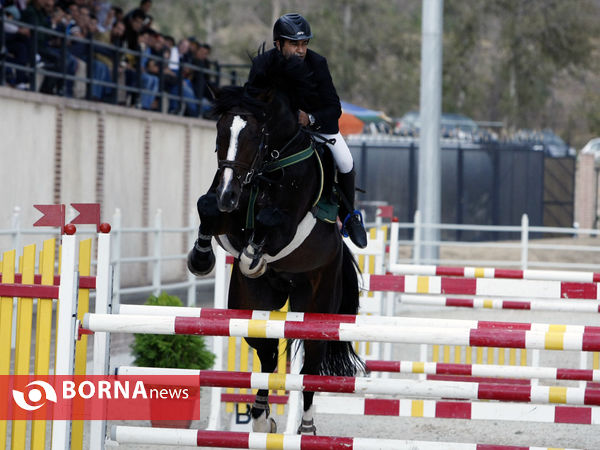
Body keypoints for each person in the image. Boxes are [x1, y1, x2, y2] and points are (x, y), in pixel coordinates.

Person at [253, 13, 367, 248]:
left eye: (304, 44)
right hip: (275, 131)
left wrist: (310, 118)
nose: (301, 50)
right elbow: (252, 100)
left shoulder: (318, 64)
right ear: (278, 44)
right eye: (294, 44)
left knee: (345, 161)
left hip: (317, 128)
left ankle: (349, 215)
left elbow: (334, 107)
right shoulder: (262, 64)